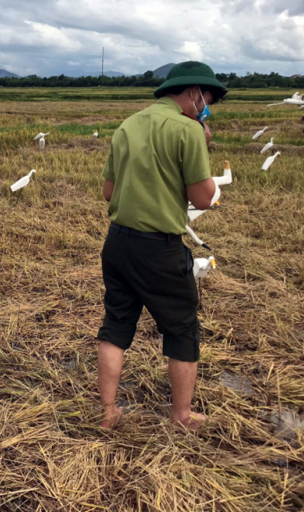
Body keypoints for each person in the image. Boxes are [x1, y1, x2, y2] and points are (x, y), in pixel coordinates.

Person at [97, 61, 226, 430]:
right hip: (159, 249)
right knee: (182, 329)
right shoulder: (189, 130)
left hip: (117, 243)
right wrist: (203, 148)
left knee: (116, 325)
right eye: (207, 99)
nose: (206, 107)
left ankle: (108, 412)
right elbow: (203, 199)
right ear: (194, 92)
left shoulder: (128, 125)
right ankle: (182, 416)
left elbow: (108, 192)